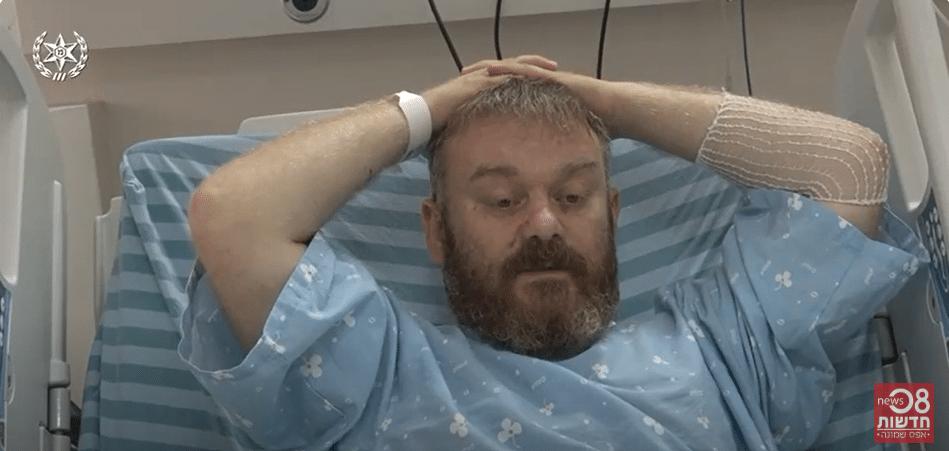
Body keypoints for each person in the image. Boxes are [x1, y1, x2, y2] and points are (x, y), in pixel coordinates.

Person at [182, 55, 927, 451]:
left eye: (572, 195)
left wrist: (605, 103)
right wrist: (428, 110)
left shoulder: (724, 351)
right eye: (502, 199)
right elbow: (231, 215)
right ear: (436, 230)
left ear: (612, 216)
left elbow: (848, 167)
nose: (543, 224)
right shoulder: (375, 371)